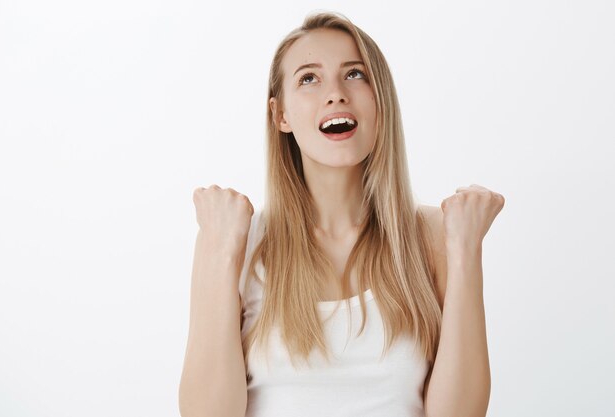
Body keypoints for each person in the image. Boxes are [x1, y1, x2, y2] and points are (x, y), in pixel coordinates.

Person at [179, 11, 504, 417]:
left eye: (354, 74)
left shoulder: (436, 236)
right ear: (280, 115)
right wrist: (219, 251)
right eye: (309, 79)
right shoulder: (236, 241)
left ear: (379, 100)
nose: (335, 93)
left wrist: (466, 250)